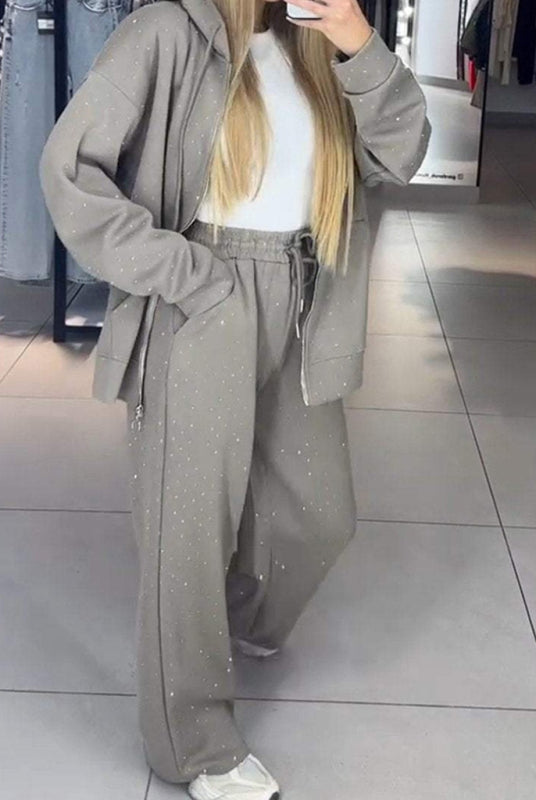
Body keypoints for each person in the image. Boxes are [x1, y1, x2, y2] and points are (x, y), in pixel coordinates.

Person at [39, 1, 430, 797]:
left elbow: (402, 153)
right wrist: (184, 273)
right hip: (205, 292)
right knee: (187, 532)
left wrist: (357, 41)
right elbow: (69, 169)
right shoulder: (166, 32)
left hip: (303, 292)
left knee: (320, 515)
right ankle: (194, 747)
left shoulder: (317, 44)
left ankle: (232, 621)